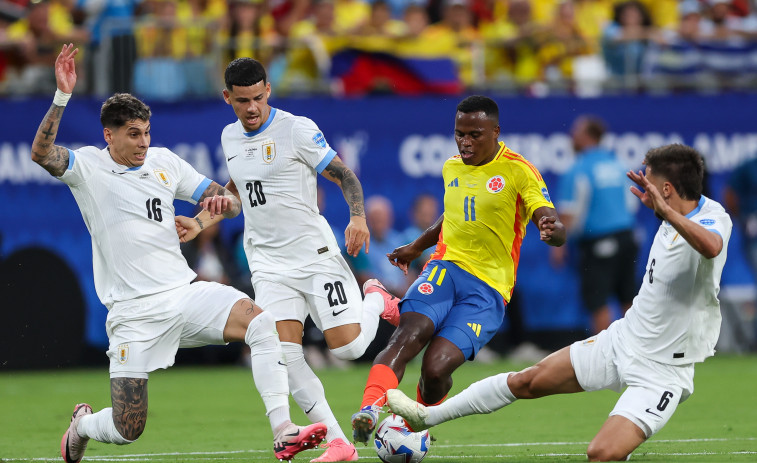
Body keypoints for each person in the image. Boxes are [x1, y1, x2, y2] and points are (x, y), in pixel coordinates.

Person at [36, 45, 325, 463]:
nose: (143, 142)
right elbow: (42, 154)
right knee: (127, 428)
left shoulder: (165, 162)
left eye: (147, 132)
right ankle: (81, 425)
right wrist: (63, 96)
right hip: (133, 314)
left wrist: (219, 207)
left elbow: (224, 198)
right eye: (133, 134)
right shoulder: (89, 169)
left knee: (261, 323)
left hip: (183, 295)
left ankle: (282, 428)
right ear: (109, 135)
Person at [387, 144, 732, 462]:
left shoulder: (712, 218)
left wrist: (667, 214)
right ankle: (426, 417)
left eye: (649, 181)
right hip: (623, 340)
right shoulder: (669, 214)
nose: (643, 188)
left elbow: (711, 247)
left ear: (667, 190)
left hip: (663, 371)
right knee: (528, 381)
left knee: (601, 453)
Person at [175, 57, 392, 462]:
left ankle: (376, 298)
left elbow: (345, 175)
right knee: (284, 353)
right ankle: (339, 444)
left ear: (269, 90)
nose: (252, 107)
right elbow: (237, 189)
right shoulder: (229, 137)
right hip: (268, 263)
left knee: (347, 350)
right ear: (228, 98)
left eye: (258, 97)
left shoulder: (297, 129)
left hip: (314, 256)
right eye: (243, 101)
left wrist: (358, 217)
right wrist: (201, 221)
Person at [350, 95, 566, 444]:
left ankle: (420, 419)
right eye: (459, 133)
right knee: (407, 336)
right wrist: (418, 247)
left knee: (435, 370)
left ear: (496, 131)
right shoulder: (452, 166)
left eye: (475, 134)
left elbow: (546, 214)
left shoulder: (518, 169)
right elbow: (453, 213)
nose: (465, 142)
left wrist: (551, 229)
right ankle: (370, 409)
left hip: (488, 287)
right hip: (445, 268)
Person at [553, 115, 638, 334]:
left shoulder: (579, 169)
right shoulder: (618, 165)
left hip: (598, 242)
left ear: (587, 137)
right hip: (627, 237)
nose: (572, 136)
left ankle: (604, 358)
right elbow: (631, 204)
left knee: (598, 302)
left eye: (576, 132)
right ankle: (639, 355)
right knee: (627, 299)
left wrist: (559, 245)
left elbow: (570, 212)